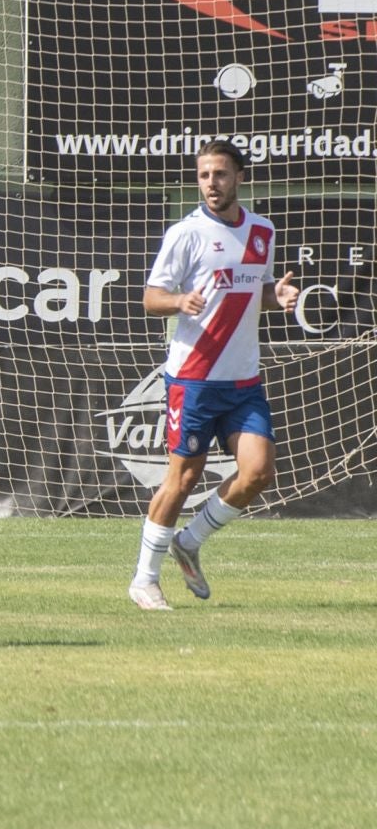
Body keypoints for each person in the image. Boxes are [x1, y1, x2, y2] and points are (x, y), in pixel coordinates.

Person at [128, 139, 299, 611]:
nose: (211, 184)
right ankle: (144, 579)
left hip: (243, 380)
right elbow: (151, 298)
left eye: (220, 174)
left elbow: (255, 291)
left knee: (259, 471)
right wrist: (179, 301)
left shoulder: (261, 231)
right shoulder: (186, 233)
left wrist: (276, 298)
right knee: (182, 480)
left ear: (238, 177)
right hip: (195, 377)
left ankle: (192, 539)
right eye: (204, 175)